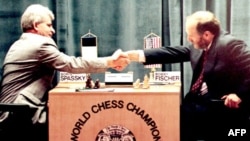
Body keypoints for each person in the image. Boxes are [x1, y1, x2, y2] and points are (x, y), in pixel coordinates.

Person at [0, 4, 129, 141]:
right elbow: (71, 64)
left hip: (10, 111)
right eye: (49, 25)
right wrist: (110, 62)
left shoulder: (19, 44)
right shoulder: (40, 44)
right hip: (20, 115)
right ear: (36, 25)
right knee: (75, 117)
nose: (53, 30)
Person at [125, 11, 250, 141]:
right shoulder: (202, 44)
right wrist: (132, 55)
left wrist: (240, 95)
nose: (188, 39)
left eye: (191, 36)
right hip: (195, 105)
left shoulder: (230, 44)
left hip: (220, 112)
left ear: (206, 34)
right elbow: (173, 52)